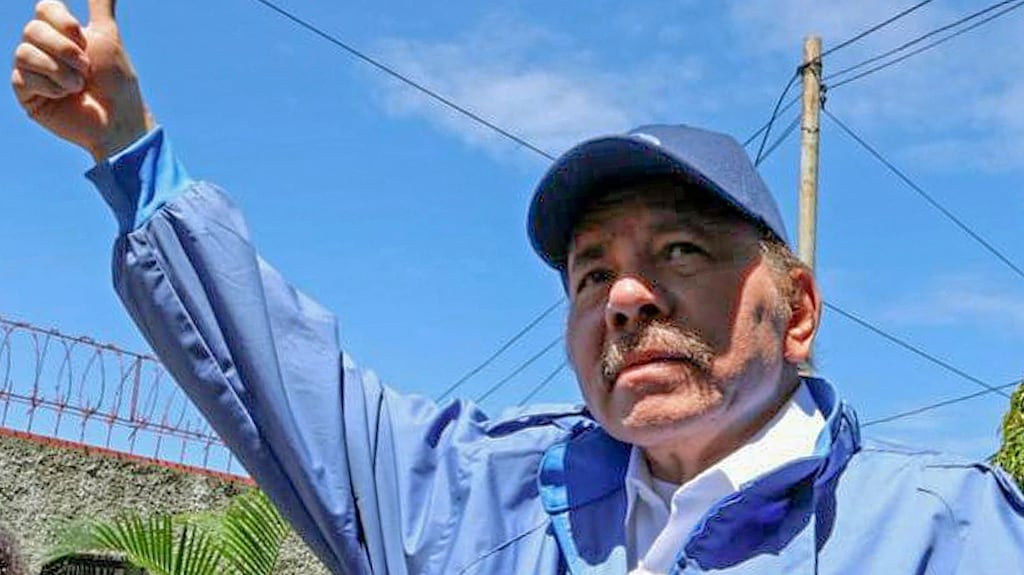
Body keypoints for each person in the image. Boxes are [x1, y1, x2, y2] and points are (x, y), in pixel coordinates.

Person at [12, 1, 1024, 573]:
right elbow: (286, 383)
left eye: (677, 251)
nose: (624, 297)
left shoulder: (944, 529)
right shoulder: (482, 500)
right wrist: (128, 149)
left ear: (795, 308)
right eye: (593, 271)